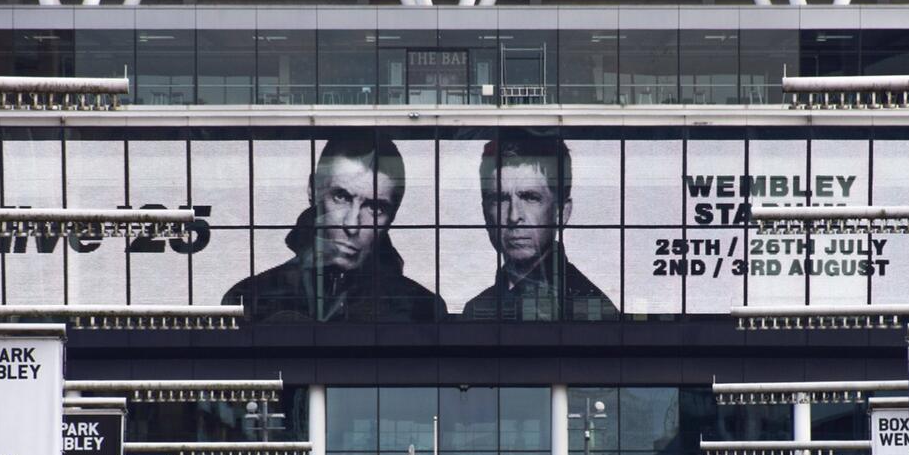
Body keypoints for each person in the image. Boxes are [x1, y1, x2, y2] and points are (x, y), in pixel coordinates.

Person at [223, 136, 441, 323]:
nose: (352, 224)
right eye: (341, 197)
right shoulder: (250, 297)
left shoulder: (422, 308)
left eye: (374, 209)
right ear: (313, 190)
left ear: (392, 216)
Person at [458, 136, 616, 321]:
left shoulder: (589, 308)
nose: (513, 216)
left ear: (562, 212)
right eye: (500, 199)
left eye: (530, 198)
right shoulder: (477, 307)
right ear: (485, 212)